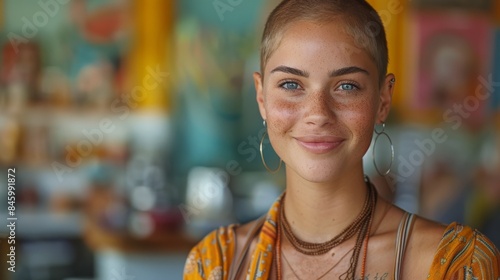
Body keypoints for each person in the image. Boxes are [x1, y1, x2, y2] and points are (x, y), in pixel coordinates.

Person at [183, 0, 500, 279]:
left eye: (347, 86)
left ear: (383, 100)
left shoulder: (457, 265)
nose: (317, 113)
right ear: (261, 96)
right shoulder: (216, 264)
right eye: (291, 85)